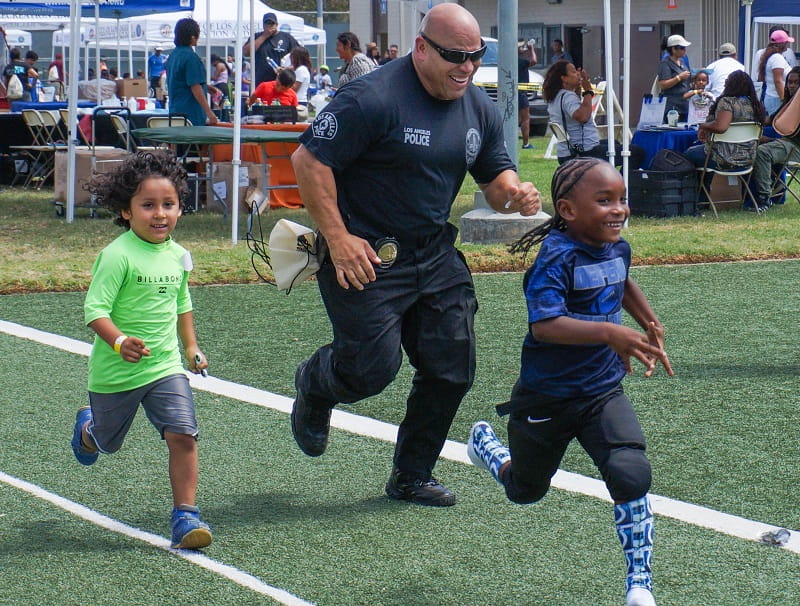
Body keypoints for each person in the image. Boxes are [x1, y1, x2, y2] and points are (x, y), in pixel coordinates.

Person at [289, 3, 541, 507]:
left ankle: (411, 475)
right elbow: (308, 161)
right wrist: (337, 238)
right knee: (368, 372)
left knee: (452, 367)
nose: (466, 68)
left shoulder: (478, 107)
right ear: (421, 48)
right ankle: (315, 388)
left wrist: (514, 192)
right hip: (364, 253)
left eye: (474, 56)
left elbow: (494, 178)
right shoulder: (370, 97)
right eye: (454, 56)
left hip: (433, 252)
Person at [467, 157, 673, 606]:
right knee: (526, 490)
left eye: (621, 199)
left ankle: (640, 584)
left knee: (630, 470)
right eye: (604, 201)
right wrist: (610, 331)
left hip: (601, 389)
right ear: (568, 209)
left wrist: (647, 319)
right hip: (548, 396)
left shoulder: (617, 247)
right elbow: (546, 325)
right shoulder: (555, 257)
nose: (618, 209)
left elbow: (621, 280)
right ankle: (488, 448)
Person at [70, 150, 212, 551]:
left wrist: (191, 347)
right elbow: (94, 310)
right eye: (148, 205)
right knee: (107, 443)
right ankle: (89, 428)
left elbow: (182, 302)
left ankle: (186, 516)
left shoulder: (178, 255)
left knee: (183, 433)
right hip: (115, 373)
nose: (159, 214)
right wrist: (118, 341)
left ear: (180, 209)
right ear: (127, 211)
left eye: (168, 204)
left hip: (164, 367)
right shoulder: (117, 256)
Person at [682, 71, 764, 208]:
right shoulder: (754, 104)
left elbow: (721, 127)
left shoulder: (727, 102)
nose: (725, 83)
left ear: (732, 85)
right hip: (748, 158)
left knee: (689, 154)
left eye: (727, 81)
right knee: (702, 152)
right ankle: (748, 200)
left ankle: (700, 200)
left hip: (723, 157)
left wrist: (703, 126)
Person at [544, 60, 645, 168]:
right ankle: (620, 183)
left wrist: (579, 87)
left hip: (568, 151)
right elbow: (583, 117)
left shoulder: (557, 96)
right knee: (637, 152)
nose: (578, 74)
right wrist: (588, 91)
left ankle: (608, 179)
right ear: (564, 78)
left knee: (614, 142)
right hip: (584, 152)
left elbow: (573, 109)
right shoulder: (568, 97)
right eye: (574, 72)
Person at [752, 67, 800, 210]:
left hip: (796, 149)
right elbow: (770, 120)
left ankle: (764, 199)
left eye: (796, 83)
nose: (791, 86)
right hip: (788, 144)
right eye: (789, 82)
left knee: (763, 152)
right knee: (763, 147)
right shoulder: (788, 103)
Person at [166, 18, 218, 127]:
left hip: (175, 111)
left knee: (178, 143)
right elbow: (195, 87)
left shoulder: (173, 56)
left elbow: (182, 80)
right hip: (191, 114)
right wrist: (209, 112)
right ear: (192, 37)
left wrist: (206, 87)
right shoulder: (191, 58)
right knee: (194, 144)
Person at [243, 11, 299, 87]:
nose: (270, 26)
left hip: (280, 82)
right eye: (267, 23)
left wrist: (288, 68)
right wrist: (264, 36)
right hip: (260, 82)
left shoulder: (287, 38)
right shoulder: (256, 37)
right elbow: (246, 52)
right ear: (263, 25)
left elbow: (300, 57)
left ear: (276, 24)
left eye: (272, 23)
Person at [657, 34, 692, 122]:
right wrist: (679, 77)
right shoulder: (665, 63)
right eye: (682, 48)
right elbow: (663, 85)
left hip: (684, 105)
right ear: (673, 49)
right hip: (672, 106)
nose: (685, 50)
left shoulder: (682, 62)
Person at [758, 30, 794, 115]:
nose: (787, 45)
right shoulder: (777, 58)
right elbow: (778, 81)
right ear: (781, 44)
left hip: (772, 97)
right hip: (777, 99)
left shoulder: (773, 56)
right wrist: (784, 100)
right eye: (786, 42)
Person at [518, 39, 538, 150]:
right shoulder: (520, 61)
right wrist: (531, 49)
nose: (523, 49)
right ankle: (526, 143)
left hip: (512, 93)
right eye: (521, 47)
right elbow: (534, 61)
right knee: (525, 118)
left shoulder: (510, 61)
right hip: (521, 93)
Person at [289, 46, 312, 121]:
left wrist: (285, 79)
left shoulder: (301, 70)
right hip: (300, 101)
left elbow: (295, 88)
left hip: (298, 101)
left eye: (292, 57)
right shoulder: (302, 69)